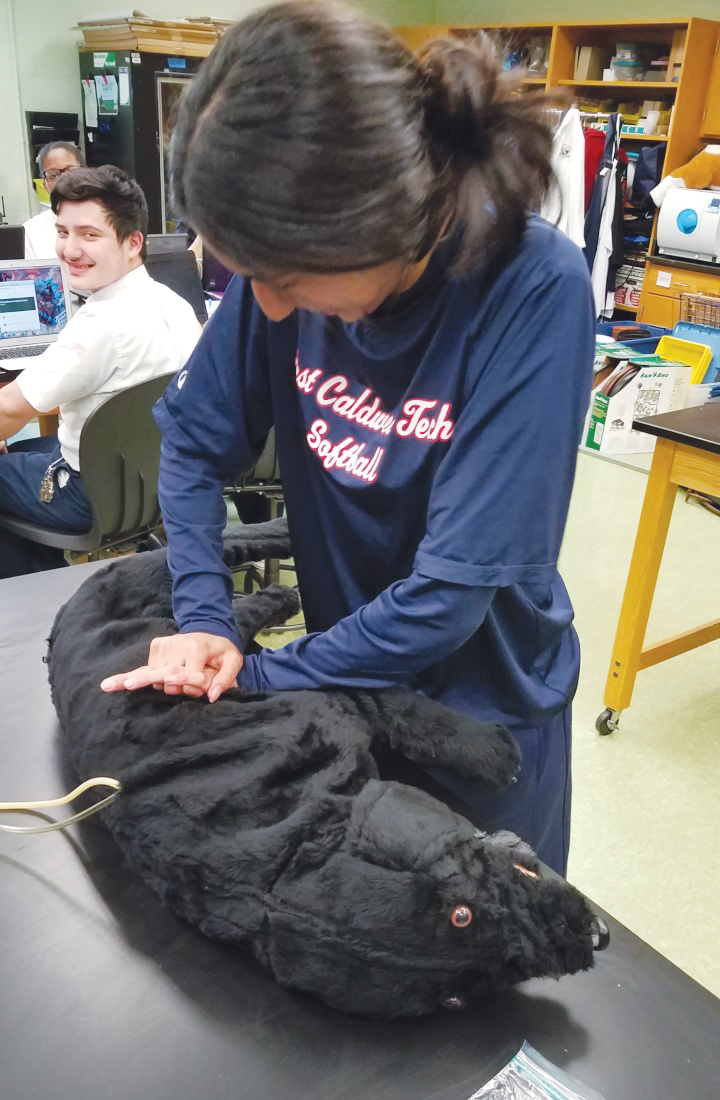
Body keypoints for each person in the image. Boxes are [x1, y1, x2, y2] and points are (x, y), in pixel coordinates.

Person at [100, 1, 595, 875]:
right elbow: (192, 445)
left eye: (289, 279)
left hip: (484, 707)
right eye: (251, 277)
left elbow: (445, 601)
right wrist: (207, 617)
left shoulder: (530, 288)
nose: (273, 308)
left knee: (488, 947)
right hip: (343, 687)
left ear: (384, 218)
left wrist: (251, 677)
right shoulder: (278, 278)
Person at [0, 165, 202, 578]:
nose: (70, 250)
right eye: (62, 231)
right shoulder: (174, 304)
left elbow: (7, 412)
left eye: (89, 235)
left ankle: (19, 608)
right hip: (151, 483)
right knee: (24, 451)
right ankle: (44, 576)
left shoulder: (100, 326)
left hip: (88, 495)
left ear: (133, 243)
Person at [24, 142, 86, 259]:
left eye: (70, 171)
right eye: (53, 175)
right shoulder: (30, 232)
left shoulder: (108, 219)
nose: (63, 179)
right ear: (45, 184)